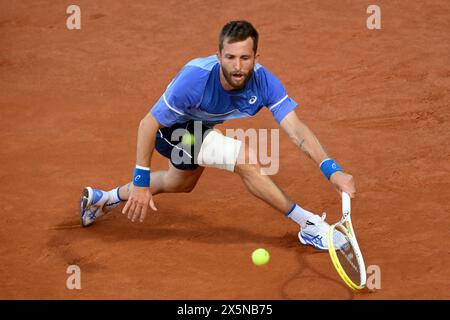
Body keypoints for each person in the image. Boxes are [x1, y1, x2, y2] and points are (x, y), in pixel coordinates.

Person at [79, 20, 356, 250]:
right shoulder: (194, 80)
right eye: (230, 57)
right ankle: (308, 224)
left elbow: (296, 130)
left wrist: (332, 170)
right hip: (171, 130)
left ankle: (103, 198)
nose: (237, 66)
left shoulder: (265, 82)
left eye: (245, 58)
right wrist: (140, 181)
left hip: (199, 129)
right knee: (244, 159)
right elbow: (147, 124)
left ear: (256, 58)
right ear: (218, 57)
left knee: (179, 183)